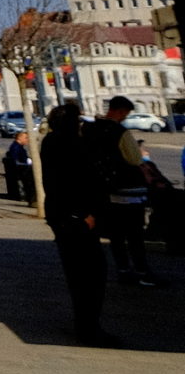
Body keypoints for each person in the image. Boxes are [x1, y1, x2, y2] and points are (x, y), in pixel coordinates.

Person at [39, 102, 117, 346]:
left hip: (60, 215)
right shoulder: (72, 145)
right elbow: (81, 181)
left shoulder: (50, 142)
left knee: (77, 273)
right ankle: (89, 327)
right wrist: (87, 214)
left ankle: (85, 324)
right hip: (78, 217)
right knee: (92, 272)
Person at [87, 96, 159, 287]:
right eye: (125, 113)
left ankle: (123, 271)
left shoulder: (92, 128)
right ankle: (143, 272)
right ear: (120, 111)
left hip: (106, 191)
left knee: (117, 236)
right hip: (128, 189)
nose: (125, 117)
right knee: (135, 234)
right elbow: (135, 159)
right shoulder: (120, 131)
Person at [2, 133, 36, 206]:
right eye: (26, 138)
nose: (27, 140)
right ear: (19, 138)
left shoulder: (18, 147)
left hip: (21, 169)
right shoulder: (16, 148)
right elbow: (16, 161)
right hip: (21, 171)